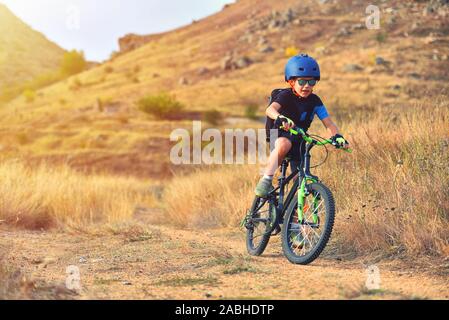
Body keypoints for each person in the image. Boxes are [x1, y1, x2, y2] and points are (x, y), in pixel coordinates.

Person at [255, 54, 350, 198]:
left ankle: (294, 219)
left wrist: (337, 136)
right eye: (301, 81)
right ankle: (266, 180)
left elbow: (329, 123)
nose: (307, 86)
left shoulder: (315, 101)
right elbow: (270, 110)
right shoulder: (286, 96)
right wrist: (279, 117)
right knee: (284, 144)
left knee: (300, 183)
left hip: (299, 138)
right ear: (291, 82)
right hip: (279, 134)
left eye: (311, 82)